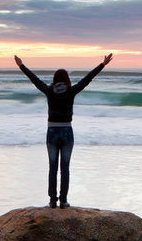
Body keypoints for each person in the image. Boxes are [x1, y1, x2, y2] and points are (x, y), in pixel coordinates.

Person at [14, 52, 113, 208]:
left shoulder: (48, 90)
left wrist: (21, 65)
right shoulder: (71, 91)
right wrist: (103, 64)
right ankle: (63, 201)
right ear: (66, 80)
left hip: (52, 132)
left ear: (54, 80)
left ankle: (52, 201)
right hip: (67, 131)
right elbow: (87, 79)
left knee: (52, 167)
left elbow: (34, 80)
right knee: (65, 168)